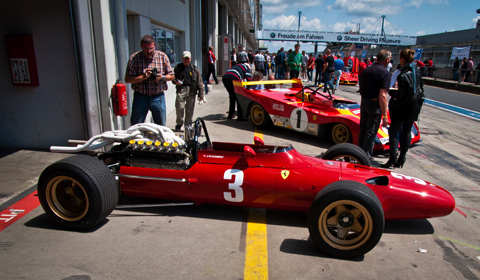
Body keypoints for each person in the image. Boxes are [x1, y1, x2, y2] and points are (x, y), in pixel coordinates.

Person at [382, 49, 424, 169]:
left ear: (402, 59)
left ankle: (393, 158)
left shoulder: (402, 74)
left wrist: (391, 92)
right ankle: (402, 158)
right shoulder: (417, 72)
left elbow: (400, 95)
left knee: (393, 131)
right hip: (414, 106)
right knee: (407, 131)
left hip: (403, 106)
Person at [125, 34, 174, 126]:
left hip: (158, 97)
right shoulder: (134, 58)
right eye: (146, 49)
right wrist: (143, 77)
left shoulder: (162, 57)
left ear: (155, 46)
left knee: (161, 127)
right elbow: (127, 79)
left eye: (151, 48)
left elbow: (172, 76)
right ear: (141, 47)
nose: (149, 51)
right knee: (136, 126)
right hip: (140, 97)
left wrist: (162, 77)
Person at [358, 49, 392, 159]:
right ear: (387, 59)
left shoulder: (366, 70)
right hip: (374, 104)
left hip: (364, 101)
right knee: (371, 132)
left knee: (363, 130)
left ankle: (358, 154)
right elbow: (382, 95)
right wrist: (385, 115)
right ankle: (365, 157)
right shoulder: (385, 73)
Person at [173, 51, 206, 131]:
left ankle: (188, 125)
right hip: (181, 90)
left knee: (189, 110)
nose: (186, 60)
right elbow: (172, 78)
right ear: (182, 58)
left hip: (191, 91)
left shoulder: (195, 69)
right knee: (179, 108)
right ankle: (179, 123)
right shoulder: (177, 67)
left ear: (190, 59)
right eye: (185, 59)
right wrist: (175, 81)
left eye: (188, 59)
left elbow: (200, 82)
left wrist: (201, 94)